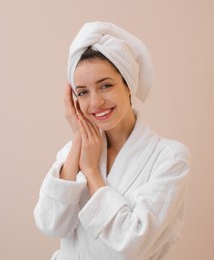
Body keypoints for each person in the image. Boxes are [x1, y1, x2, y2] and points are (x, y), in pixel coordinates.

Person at [34, 21, 190, 260]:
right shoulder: (70, 154)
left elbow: (132, 244)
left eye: (105, 85)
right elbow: (50, 224)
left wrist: (91, 172)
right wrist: (78, 138)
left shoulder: (169, 158)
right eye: (83, 92)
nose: (95, 103)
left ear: (128, 85)